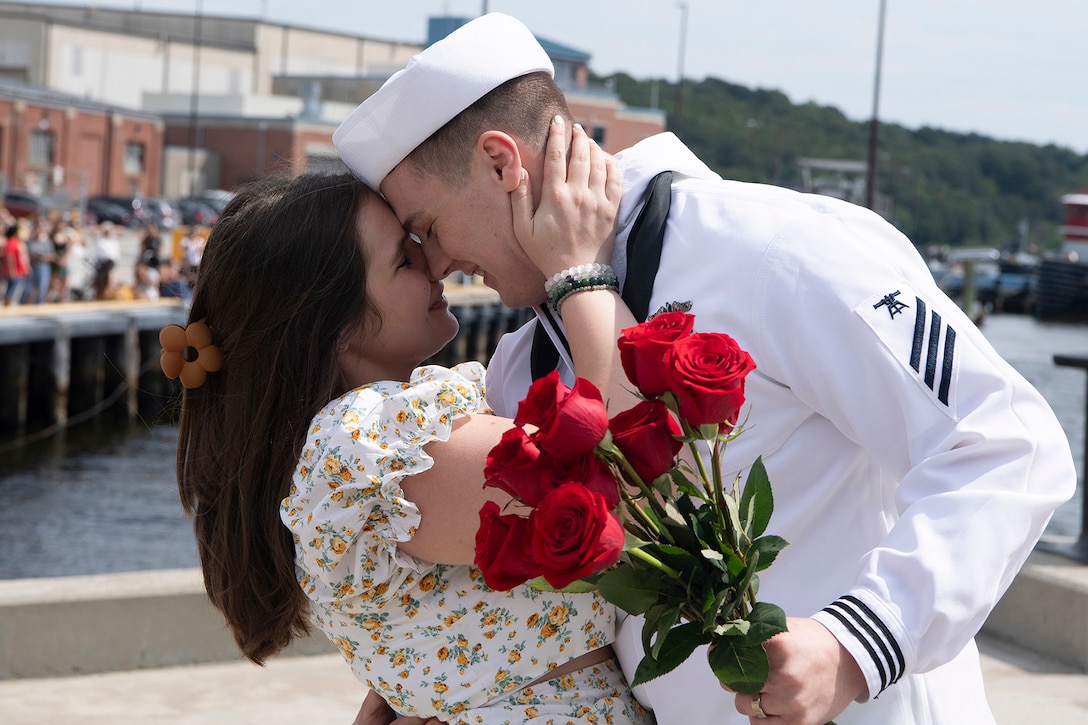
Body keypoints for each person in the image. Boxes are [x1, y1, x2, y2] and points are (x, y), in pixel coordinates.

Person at [333, 13, 1076, 725]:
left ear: (501, 162)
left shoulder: (772, 250)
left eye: (427, 229)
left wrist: (855, 643)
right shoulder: (517, 364)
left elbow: (1004, 439)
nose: (435, 265)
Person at [173, 127, 656, 724]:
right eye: (405, 257)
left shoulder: (351, 447)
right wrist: (579, 268)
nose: (434, 262)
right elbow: (631, 477)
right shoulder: (367, 446)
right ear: (335, 325)